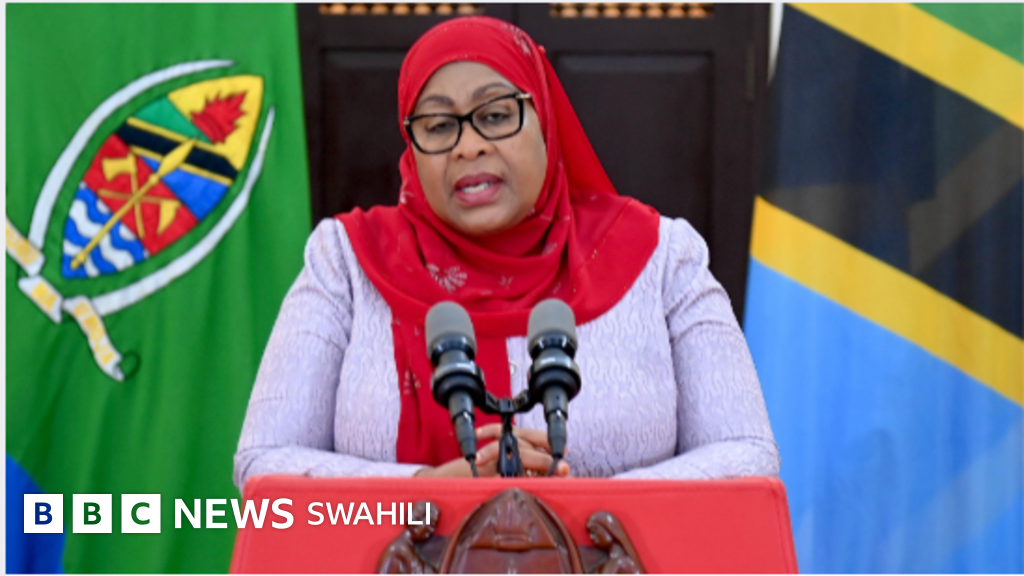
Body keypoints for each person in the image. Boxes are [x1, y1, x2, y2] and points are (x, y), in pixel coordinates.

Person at [233, 16, 779, 488]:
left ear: (545, 120)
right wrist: (426, 491)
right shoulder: (349, 262)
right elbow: (264, 465)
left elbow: (747, 457)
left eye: (495, 115)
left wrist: (580, 509)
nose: (468, 146)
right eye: (438, 125)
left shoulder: (659, 257)